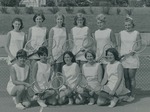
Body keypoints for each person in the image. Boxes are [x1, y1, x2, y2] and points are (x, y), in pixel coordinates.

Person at [117, 16, 141, 102]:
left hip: (133, 58)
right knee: (126, 78)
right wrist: (120, 54)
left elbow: (139, 45)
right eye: (126, 25)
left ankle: (132, 94)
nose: (127, 26)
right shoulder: (121, 33)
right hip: (123, 59)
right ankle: (127, 94)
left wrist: (134, 50)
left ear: (132, 25)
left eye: (129, 25)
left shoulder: (136, 33)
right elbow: (119, 45)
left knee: (132, 77)